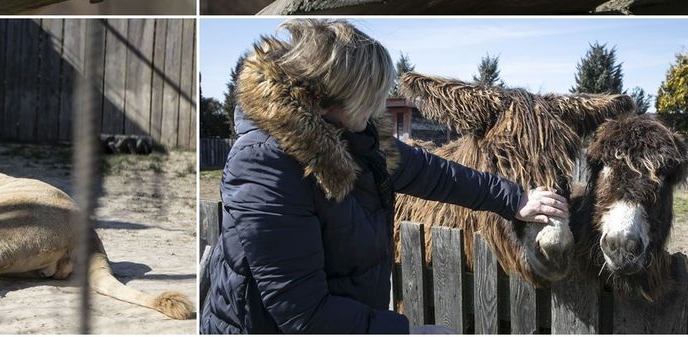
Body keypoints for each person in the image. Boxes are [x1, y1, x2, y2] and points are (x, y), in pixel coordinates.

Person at [201, 20, 569, 334]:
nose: (380, 107)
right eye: (372, 98)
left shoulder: (356, 137)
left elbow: (433, 172)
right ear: (331, 98)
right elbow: (301, 311)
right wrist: (407, 331)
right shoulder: (265, 164)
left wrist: (513, 199)